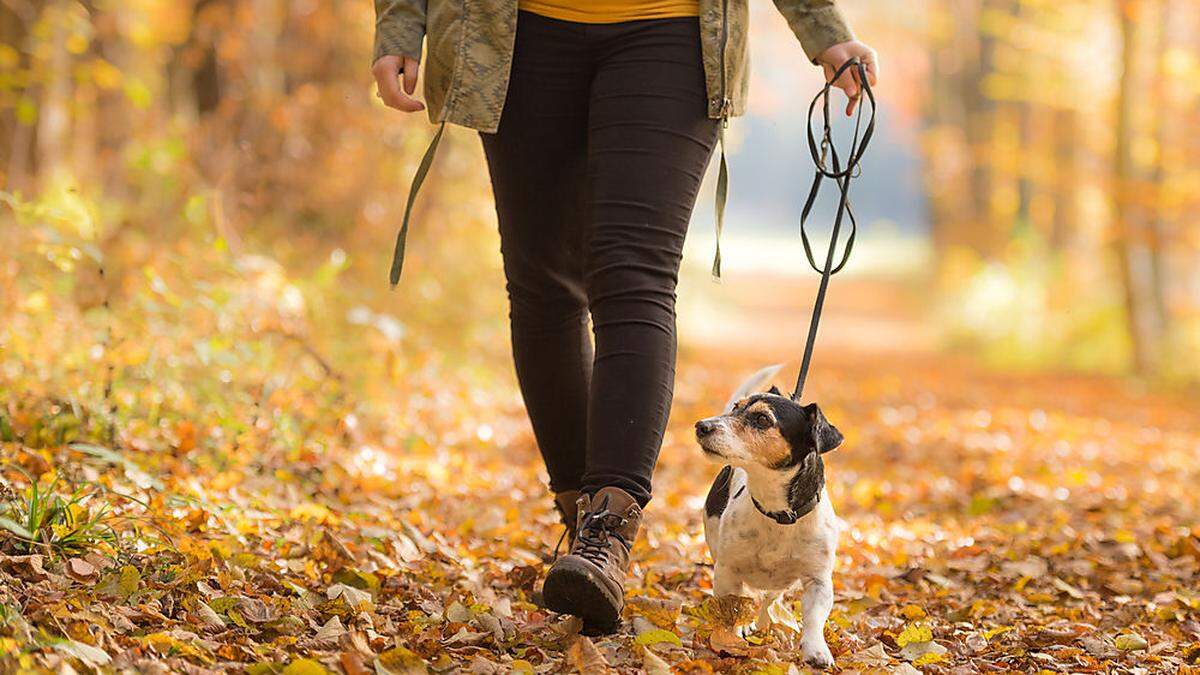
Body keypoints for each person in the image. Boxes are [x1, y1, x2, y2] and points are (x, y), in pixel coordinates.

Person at [372, 0, 878, 633]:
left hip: (671, 30)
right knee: (542, 284)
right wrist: (398, 23)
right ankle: (580, 518)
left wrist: (824, 30)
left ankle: (608, 528)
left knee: (633, 274)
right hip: (515, 31)